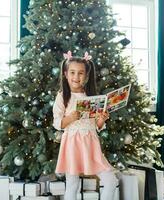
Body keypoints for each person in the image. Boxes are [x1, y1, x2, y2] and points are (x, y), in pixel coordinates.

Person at [53, 51, 118, 200]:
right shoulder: (62, 96)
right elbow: (58, 123)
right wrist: (70, 118)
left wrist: (102, 119)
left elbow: (96, 125)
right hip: (72, 143)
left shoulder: (91, 97)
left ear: (87, 76)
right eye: (73, 72)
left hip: (91, 143)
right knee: (72, 184)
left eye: (81, 73)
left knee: (110, 180)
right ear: (65, 74)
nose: (76, 77)